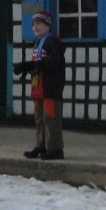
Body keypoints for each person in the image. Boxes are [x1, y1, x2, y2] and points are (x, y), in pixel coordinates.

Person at [14, 11, 66, 160]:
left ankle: (55, 148)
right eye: (33, 24)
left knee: (51, 118)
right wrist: (27, 68)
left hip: (50, 87)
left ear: (48, 26)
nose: (35, 26)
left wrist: (31, 65)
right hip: (39, 87)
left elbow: (52, 63)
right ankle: (41, 145)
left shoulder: (53, 42)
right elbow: (38, 64)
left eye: (39, 23)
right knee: (39, 118)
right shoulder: (38, 42)